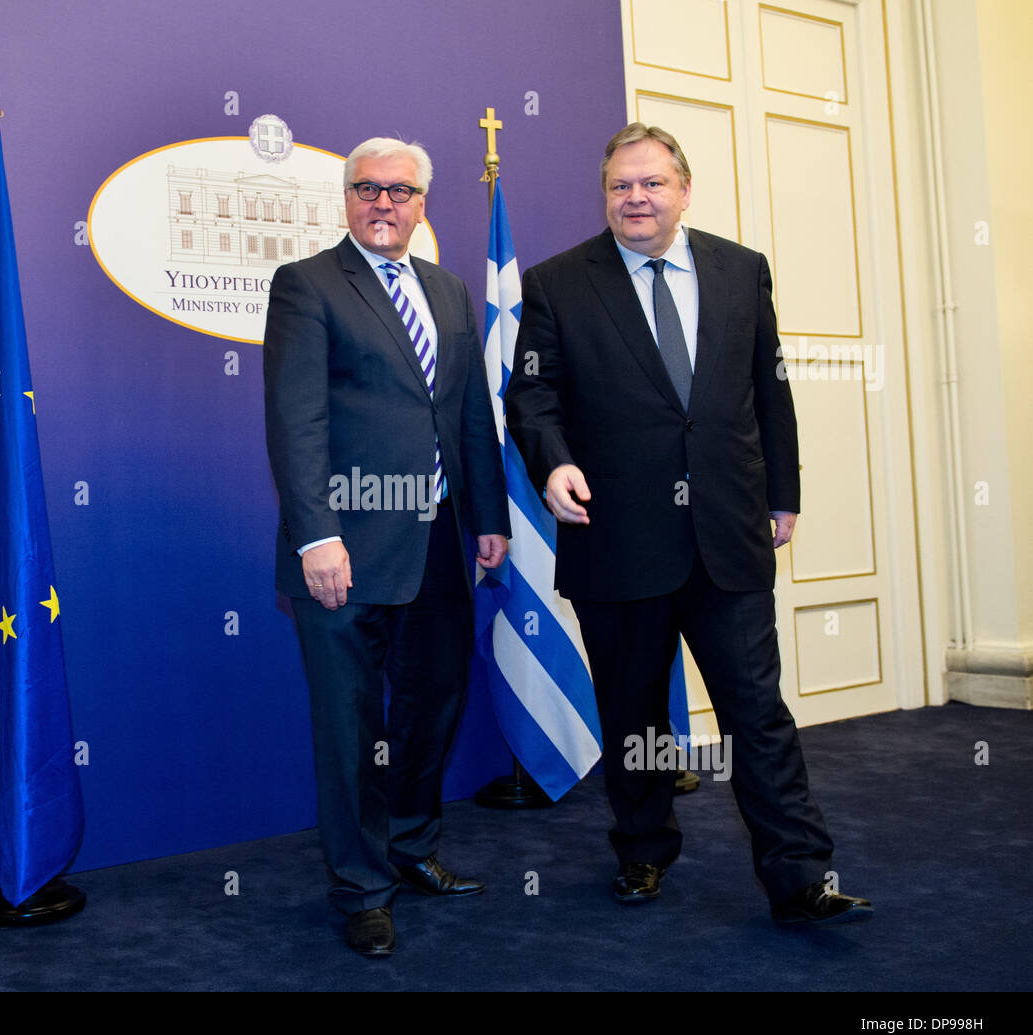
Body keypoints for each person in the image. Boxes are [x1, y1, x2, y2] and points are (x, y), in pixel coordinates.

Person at [504, 123, 871, 925]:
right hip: (618, 538)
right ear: (605, 196)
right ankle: (641, 852)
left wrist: (784, 492)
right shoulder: (559, 283)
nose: (636, 198)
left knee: (757, 713)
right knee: (633, 714)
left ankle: (801, 875)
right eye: (620, 186)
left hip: (728, 533)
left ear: (684, 189)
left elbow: (769, 390)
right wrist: (553, 462)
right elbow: (532, 397)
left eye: (652, 183)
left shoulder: (742, 271)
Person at [263, 137, 510, 957]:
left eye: (400, 191)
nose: (383, 202)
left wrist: (489, 518)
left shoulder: (447, 290)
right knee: (349, 725)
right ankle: (363, 887)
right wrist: (317, 536)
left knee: (435, 704)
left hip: (439, 545)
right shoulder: (306, 286)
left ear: (421, 203)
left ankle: (410, 848)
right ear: (346, 197)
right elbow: (296, 422)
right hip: (345, 552)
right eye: (367, 188)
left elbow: (470, 413)